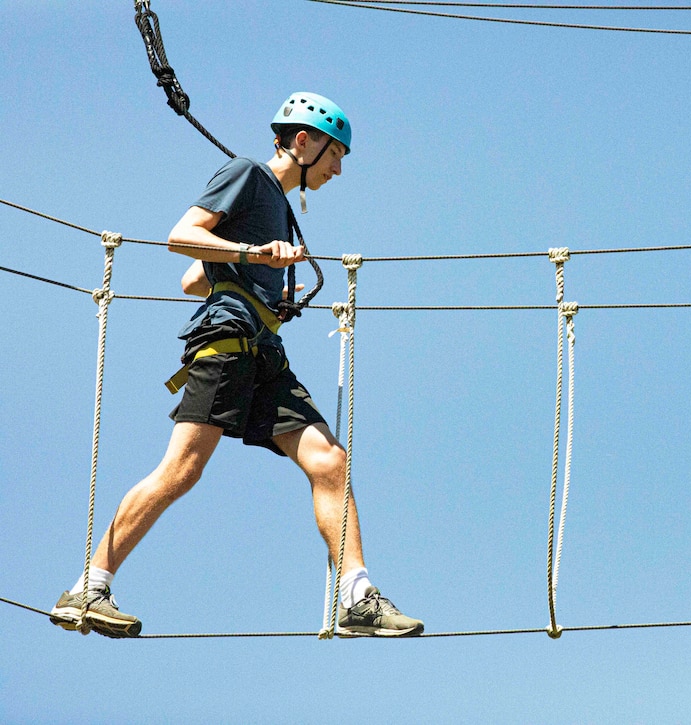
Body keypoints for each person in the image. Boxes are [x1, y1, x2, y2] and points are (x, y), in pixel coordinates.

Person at [49, 92, 423, 638]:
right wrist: (257, 256)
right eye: (335, 154)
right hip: (227, 341)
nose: (339, 169)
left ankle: (357, 597)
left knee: (329, 461)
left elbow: (196, 280)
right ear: (303, 143)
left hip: (263, 350)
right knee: (181, 470)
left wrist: (266, 281)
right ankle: (88, 588)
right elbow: (180, 238)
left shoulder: (281, 210)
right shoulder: (248, 175)